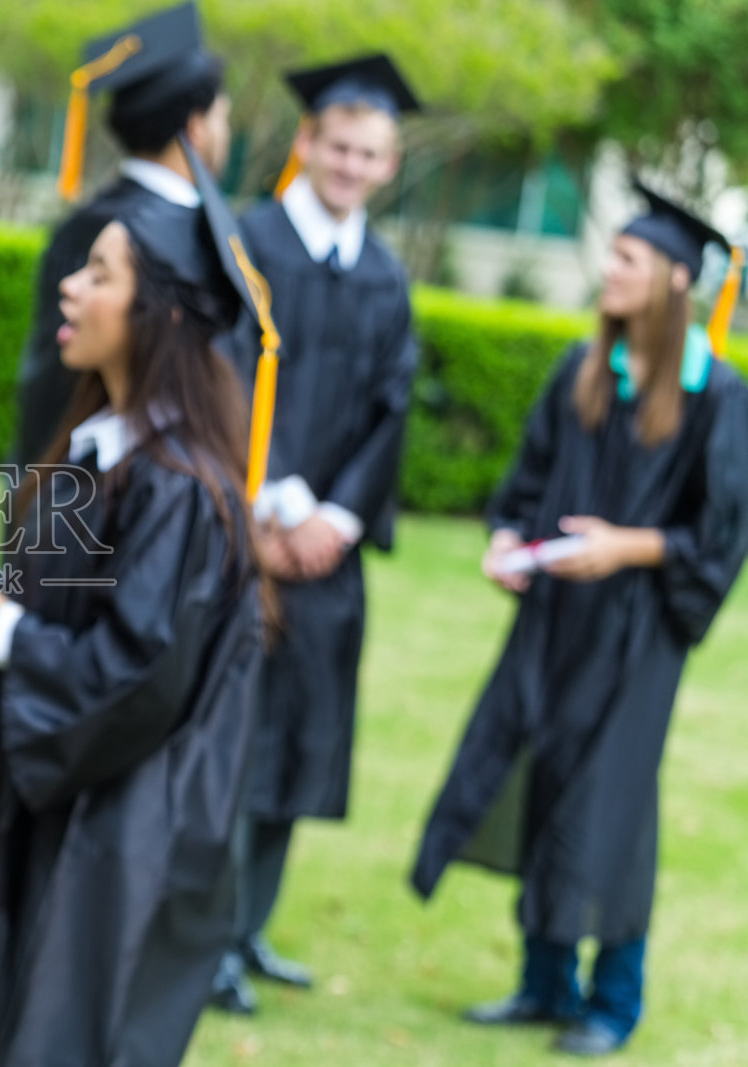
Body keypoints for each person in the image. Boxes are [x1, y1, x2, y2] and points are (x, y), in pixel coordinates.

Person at [0, 135, 266, 1062]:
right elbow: (46, 625)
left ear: (159, 311)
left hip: (107, 831)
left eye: (99, 273)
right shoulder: (94, 453)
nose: (68, 286)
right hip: (36, 800)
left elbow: (139, 673)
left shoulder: (180, 487)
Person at [411, 182, 748, 1057]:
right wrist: (503, 543)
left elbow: (719, 535)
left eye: (630, 259)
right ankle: (543, 983)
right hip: (556, 621)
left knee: (613, 804)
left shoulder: (718, 393)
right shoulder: (584, 370)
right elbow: (522, 486)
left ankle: (613, 999)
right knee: (545, 779)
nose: (612, 269)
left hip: (638, 635)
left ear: (677, 278)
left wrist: (627, 547)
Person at [211, 53, 421, 1015]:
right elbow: (225, 377)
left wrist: (336, 515)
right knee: (234, 738)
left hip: (327, 552)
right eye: (337, 144)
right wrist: (276, 501)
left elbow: (390, 406)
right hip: (245, 536)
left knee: (299, 741)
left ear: (389, 162)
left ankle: (251, 930)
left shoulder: (385, 275)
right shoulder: (247, 244)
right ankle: (204, 937)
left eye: (369, 152)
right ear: (307, 142)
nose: (350, 163)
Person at [9, 0, 237, 470]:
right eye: (223, 118)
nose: (225, 132)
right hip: (101, 492)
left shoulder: (92, 218)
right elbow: (62, 381)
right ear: (196, 127)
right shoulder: (147, 231)